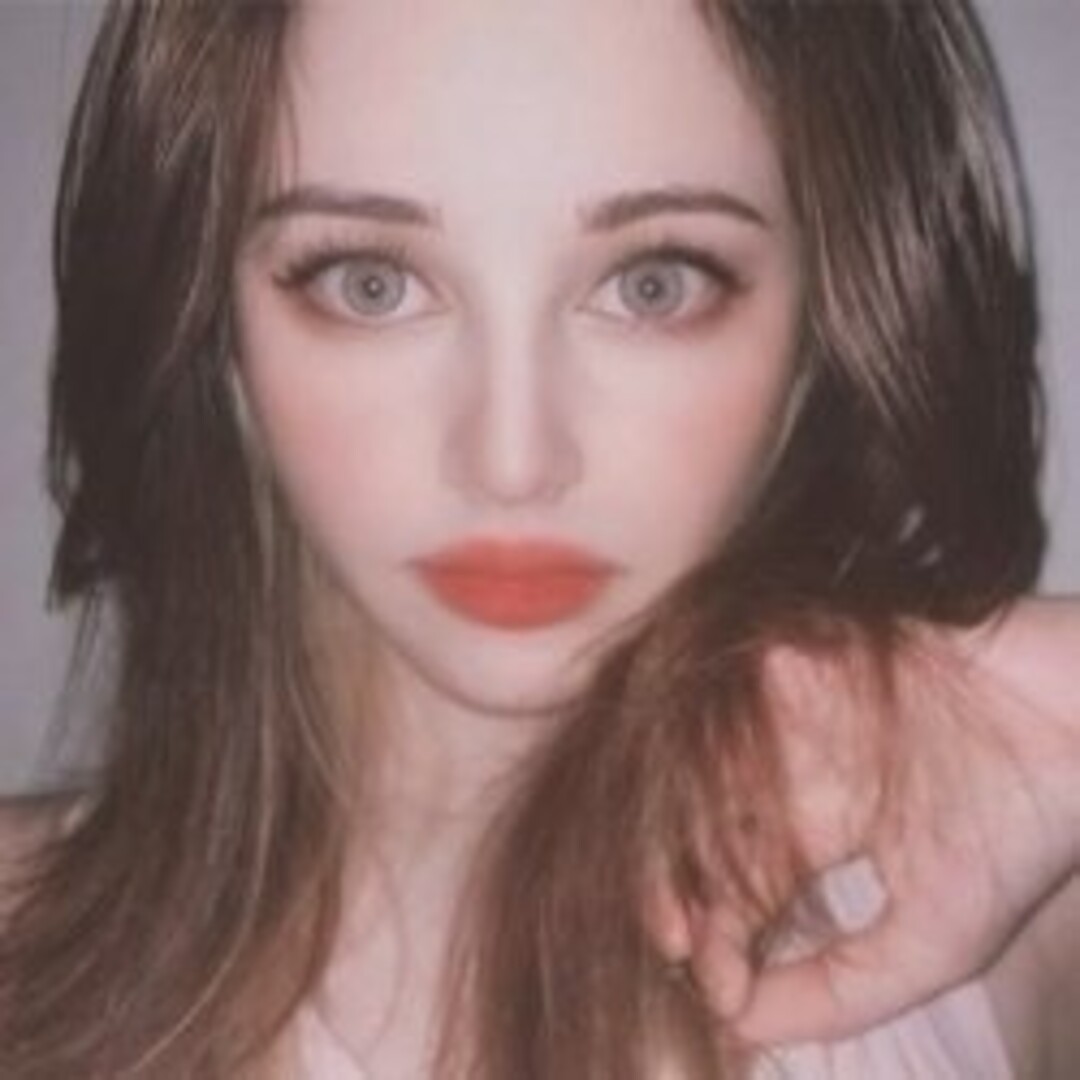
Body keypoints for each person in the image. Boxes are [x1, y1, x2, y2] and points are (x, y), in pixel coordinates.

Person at [0, 0, 1077, 1077]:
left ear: (820, 328)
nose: (512, 460)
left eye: (652, 285)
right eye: (371, 284)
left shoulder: (1015, 918)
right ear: (216, 329)